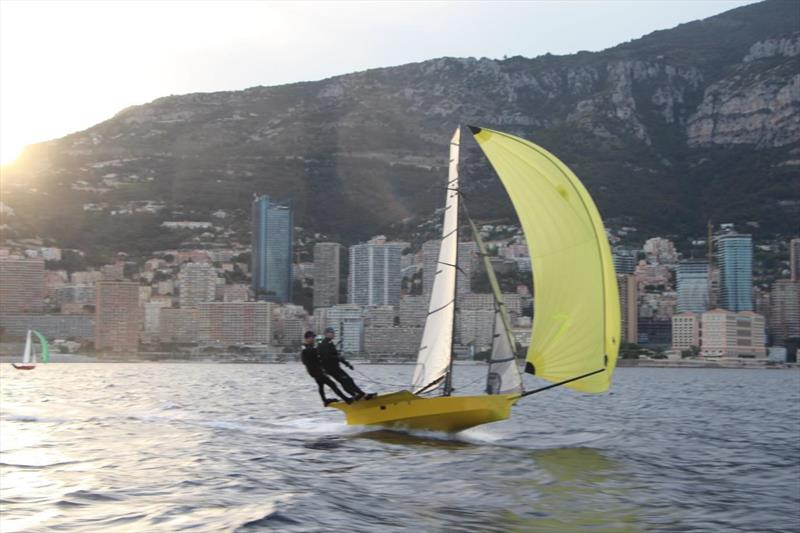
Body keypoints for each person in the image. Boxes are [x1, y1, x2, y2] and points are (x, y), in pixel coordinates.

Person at [318, 327, 374, 401]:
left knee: (344, 382)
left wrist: (347, 364)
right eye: (331, 332)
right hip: (332, 369)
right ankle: (362, 395)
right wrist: (337, 358)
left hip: (334, 368)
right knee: (348, 380)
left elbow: (336, 356)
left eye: (333, 332)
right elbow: (327, 356)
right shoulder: (324, 344)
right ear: (326, 334)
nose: (333, 334)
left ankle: (356, 395)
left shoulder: (330, 343)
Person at [301, 330, 351, 406]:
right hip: (316, 371)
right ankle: (346, 399)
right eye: (312, 337)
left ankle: (324, 400)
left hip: (316, 371)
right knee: (332, 384)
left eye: (314, 337)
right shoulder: (305, 347)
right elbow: (306, 360)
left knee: (321, 385)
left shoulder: (310, 346)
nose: (313, 339)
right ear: (307, 338)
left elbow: (317, 356)